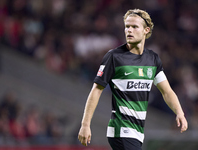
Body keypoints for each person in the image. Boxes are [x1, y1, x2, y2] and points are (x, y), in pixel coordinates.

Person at [78, 9, 188, 150]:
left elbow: (167, 91)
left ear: (146, 30)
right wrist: (85, 125)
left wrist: (180, 113)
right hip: (121, 130)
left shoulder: (153, 59)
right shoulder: (114, 57)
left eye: (134, 26)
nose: (129, 30)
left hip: (137, 132)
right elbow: (96, 90)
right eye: (127, 26)